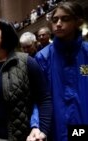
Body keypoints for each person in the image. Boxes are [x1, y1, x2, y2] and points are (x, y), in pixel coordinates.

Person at [0, 18, 52, 141]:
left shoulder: (26, 62)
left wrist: (42, 129)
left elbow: (44, 98)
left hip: (22, 136)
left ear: (6, 34)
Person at [34, 1, 88, 141]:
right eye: (55, 19)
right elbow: (37, 97)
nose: (58, 23)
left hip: (83, 123)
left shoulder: (86, 52)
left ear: (77, 22)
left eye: (65, 19)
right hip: (56, 127)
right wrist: (36, 125)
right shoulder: (43, 57)